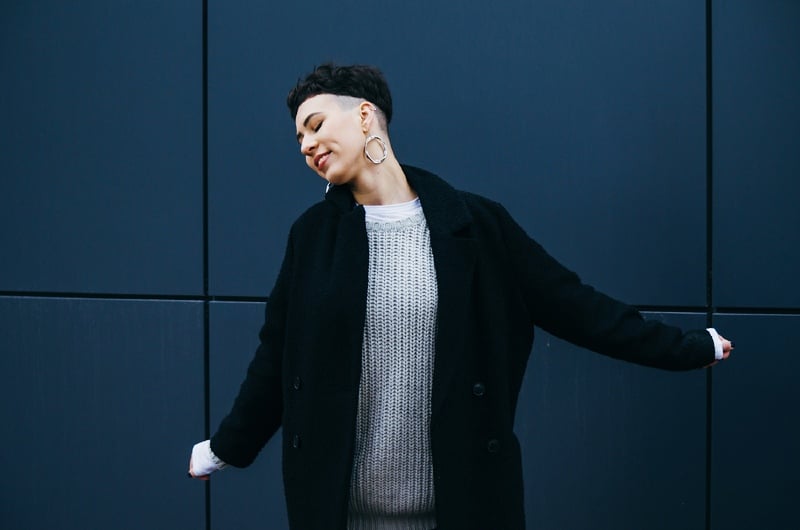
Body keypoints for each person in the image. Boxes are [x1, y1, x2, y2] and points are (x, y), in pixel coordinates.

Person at [188, 63, 734, 530]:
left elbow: (578, 307)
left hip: (462, 511)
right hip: (341, 515)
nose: (306, 145)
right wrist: (226, 447)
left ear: (363, 115)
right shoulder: (313, 238)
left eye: (314, 125)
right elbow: (275, 356)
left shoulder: (474, 225)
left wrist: (689, 347)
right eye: (298, 140)